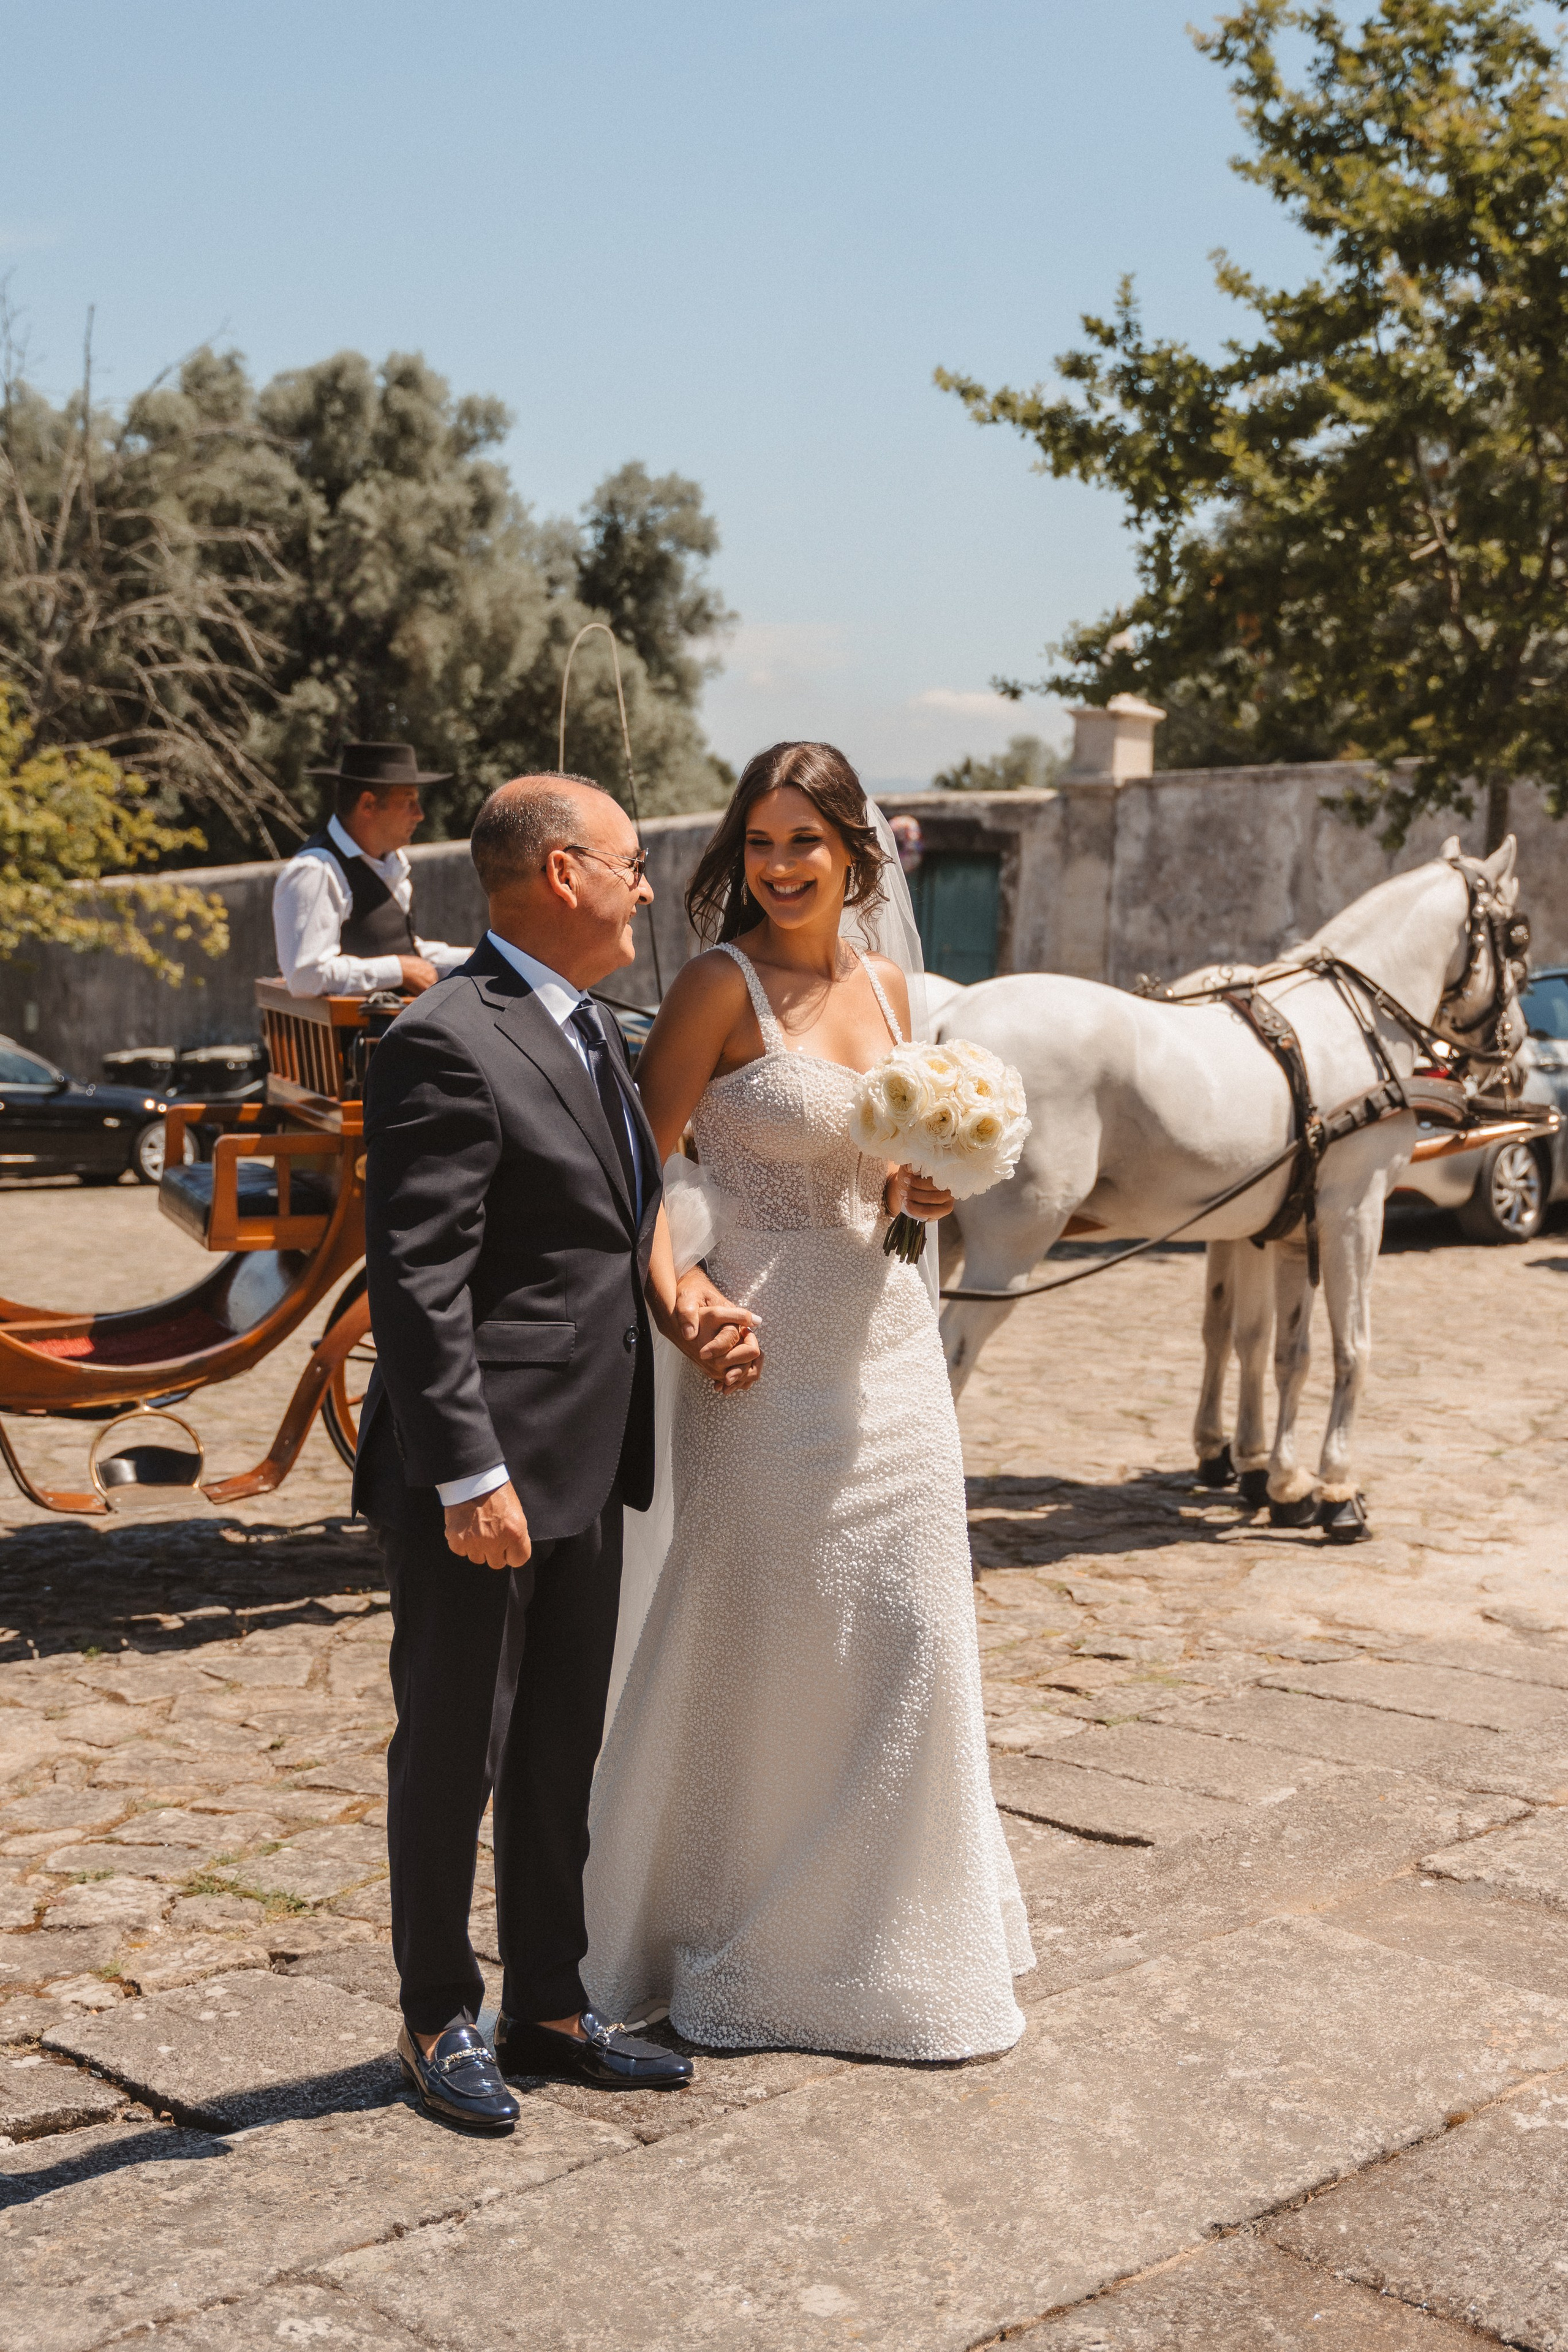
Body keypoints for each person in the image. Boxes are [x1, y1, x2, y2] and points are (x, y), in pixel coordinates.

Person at [584, 740, 1035, 2062]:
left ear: (856, 853)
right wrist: (684, 1302)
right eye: (761, 844)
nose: (780, 867)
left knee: (909, 1641)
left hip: (894, 1357)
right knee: (762, 1651)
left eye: (805, 843)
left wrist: (925, 1186)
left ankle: (888, 1945)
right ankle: (727, 1925)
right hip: (761, 1372)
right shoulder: (716, 991)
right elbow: (633, 1184)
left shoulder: (891, 985)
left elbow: (883, 1171)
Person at [355, 771, 762, 2132]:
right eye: (631, 863)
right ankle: (431, 2018)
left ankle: (546, 2004)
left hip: (590, 1455)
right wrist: (466, 1472)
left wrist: (685, 1304)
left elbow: (615, 1232)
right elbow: (418, 1282)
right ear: (560, 873)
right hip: (481, 1472)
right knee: (452, 1746)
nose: (649, 886)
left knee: (557, 1747)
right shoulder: (442, 1038)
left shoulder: (597, 1029)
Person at [272, 741, 470, 998]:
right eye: (409, 801)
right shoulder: (317, 870)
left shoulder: (388, 862)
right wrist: (399, 969)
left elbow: (395, 948)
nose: (419, 815)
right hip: (367, 1036)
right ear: (367, 805)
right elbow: (307, 976)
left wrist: (472, 958)